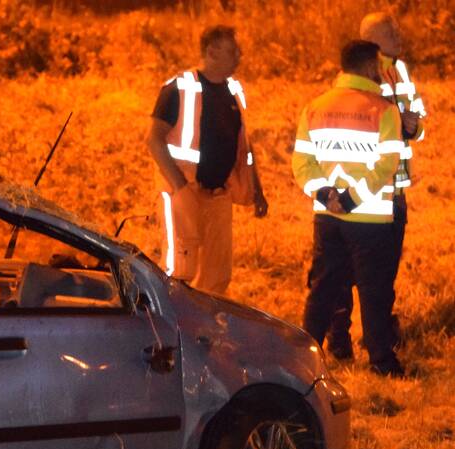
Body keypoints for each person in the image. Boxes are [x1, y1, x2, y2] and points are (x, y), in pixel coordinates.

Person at [293, 40, 405, 377]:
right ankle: (382, 362)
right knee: (374, 290)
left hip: (328, 216)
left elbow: (302, 162)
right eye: (378, 65)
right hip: (370, 217)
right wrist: (352, 199)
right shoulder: (384, 110)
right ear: (369, 66)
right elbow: (386, 165)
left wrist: (326, 194)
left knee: (323, 288)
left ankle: (303, 357)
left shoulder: (315, 107)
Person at [324, 12, 426, 360]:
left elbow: (417, 121)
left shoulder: (401, 71)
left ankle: (379, 334)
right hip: (357, 193)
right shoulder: (355, 75)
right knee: (344, 272)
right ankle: (340, 336)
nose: (399, 35)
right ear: (372, 39)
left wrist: (413, 126)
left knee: (384, 273)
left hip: (394, 190)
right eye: (391, 31)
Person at [147, 25, 268, 296]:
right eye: (233, 50)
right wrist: (180, 187)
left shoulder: (234, 90)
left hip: (219, 195)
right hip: (183, 191)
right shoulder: (179, 88)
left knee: (217, 275)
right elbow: (154, 140)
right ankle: (170, 320)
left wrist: (257, 190)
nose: (239, 56)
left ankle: (205, 322)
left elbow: (244, 146)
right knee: (180, 269)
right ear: (212, 52)